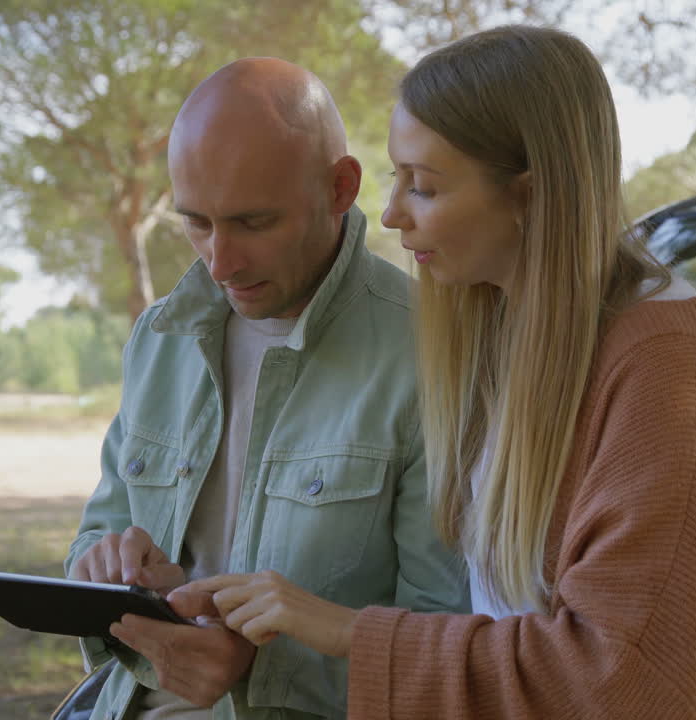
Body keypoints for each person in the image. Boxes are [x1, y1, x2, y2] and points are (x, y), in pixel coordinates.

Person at [180, 25, 696, 719]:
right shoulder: (503, 336)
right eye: (396, 177)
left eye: (426, 187)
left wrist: (350, 632)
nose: (393, 213)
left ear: (529, 194)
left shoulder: (666, 359)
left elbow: (622, 677)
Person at [64, 57, 469, 720]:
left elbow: (443, 640)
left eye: (253, 223)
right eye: (196, 223)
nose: (220, 263)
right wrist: (108, 573)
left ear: (341, 188)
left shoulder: (432, 352)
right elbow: (94, 538)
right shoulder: (160, 338)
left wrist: (260, 667)